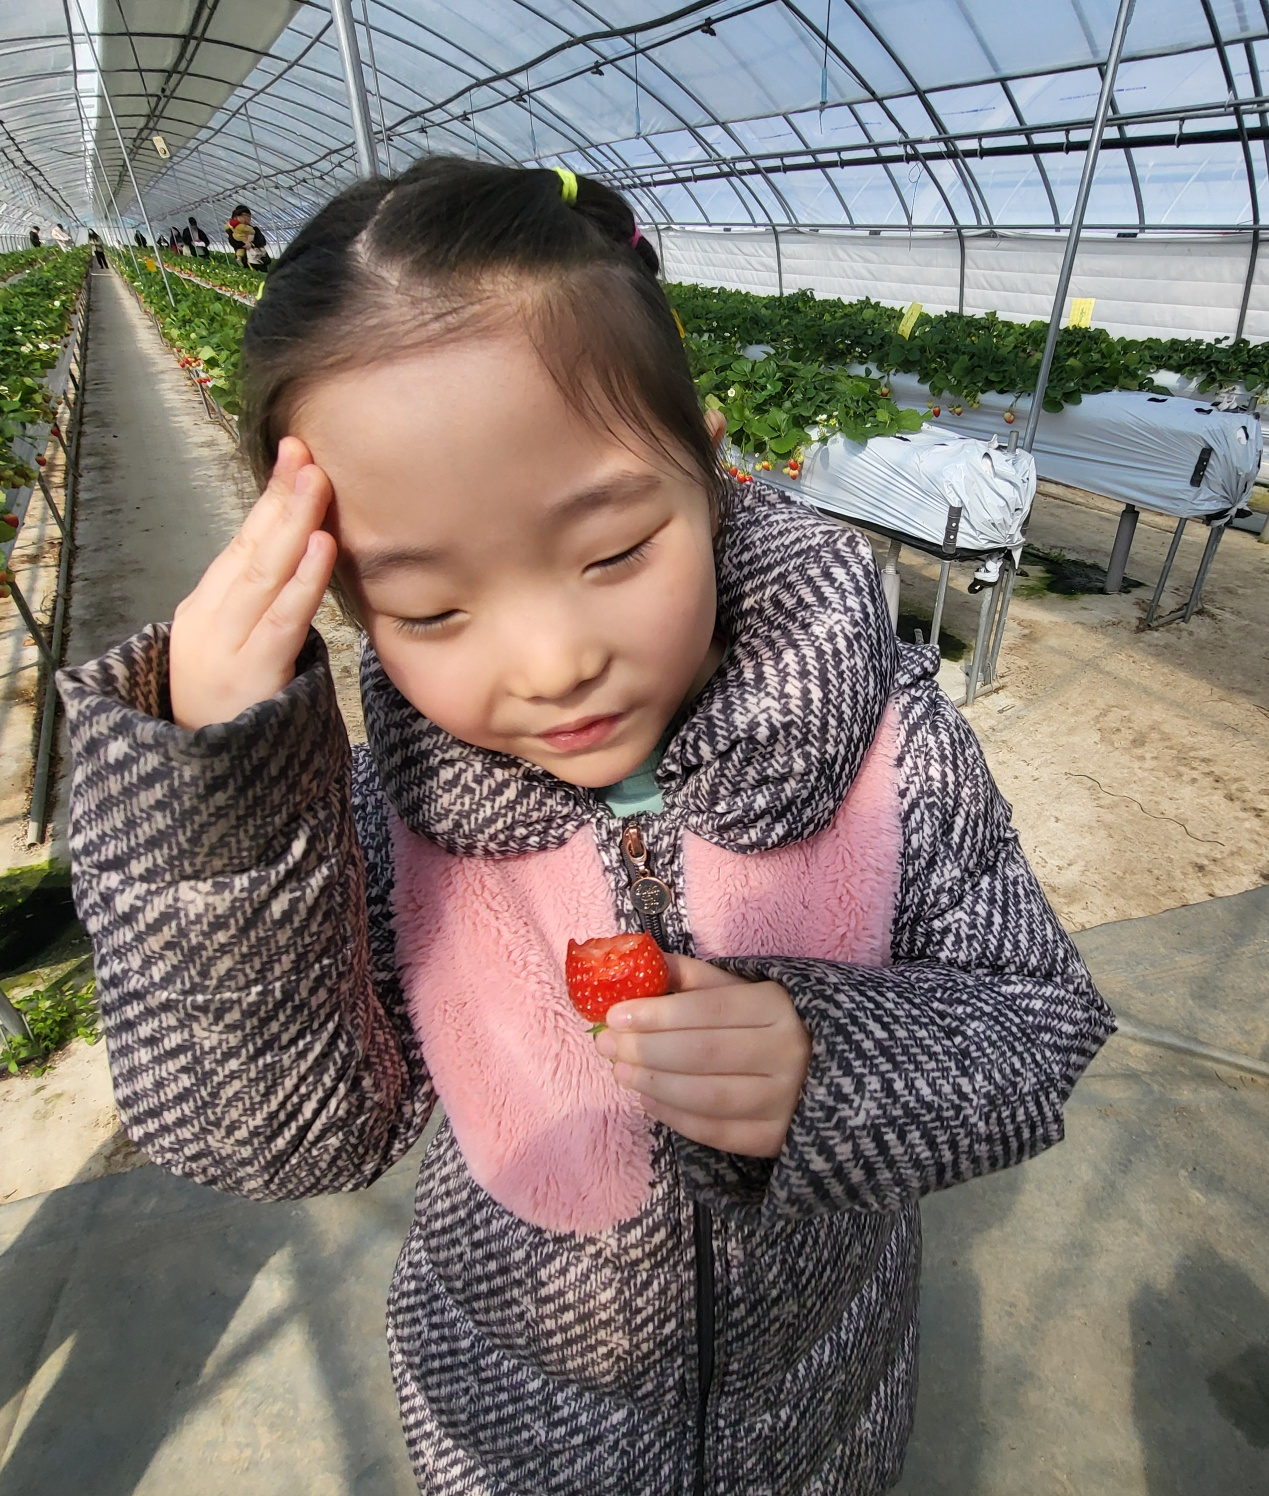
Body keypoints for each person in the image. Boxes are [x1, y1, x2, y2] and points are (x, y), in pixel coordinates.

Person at [56, 158, 1113, 1495]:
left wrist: (830, 1065)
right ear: (348, 596)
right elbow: (275, 1136)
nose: (552, 662)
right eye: (433, 610)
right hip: (512, 1428)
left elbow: (1037, 1024)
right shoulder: (398, 820)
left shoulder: (888, 749)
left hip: (815, 1419)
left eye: (614, 553)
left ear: (709, 468)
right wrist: (223, 808)